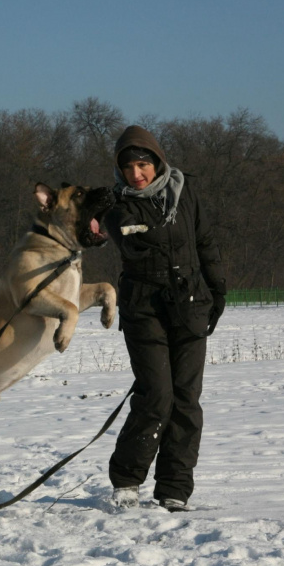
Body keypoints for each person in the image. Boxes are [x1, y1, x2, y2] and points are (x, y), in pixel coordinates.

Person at [104, 125, 226, 511]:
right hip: (144, 309)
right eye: (129, 169)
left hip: (190, 304)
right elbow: (126, 236)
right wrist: (125, 233)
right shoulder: (119, 204)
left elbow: (204, 241)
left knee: (187, 399)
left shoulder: (185, 191)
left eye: (143, 164)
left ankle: (174, 487)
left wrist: (218, 289)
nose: (136, 174)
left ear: (156, 161)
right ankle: (127, 478)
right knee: (157, 394)